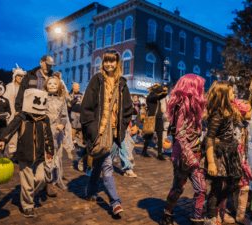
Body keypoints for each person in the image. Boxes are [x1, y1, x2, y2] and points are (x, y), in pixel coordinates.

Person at [80, 48, 132, 216]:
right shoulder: (97, 79)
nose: (109, 64)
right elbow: (87, 106)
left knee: (98, 164)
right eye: (106, 61)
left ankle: (90, 191)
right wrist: (92, 129)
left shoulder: (122, 83)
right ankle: (115, 202)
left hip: (115, 131)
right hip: (100, 130)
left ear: (117, 63)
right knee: (107, 166)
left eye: (112, 61)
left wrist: (123, 126)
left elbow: (128, 108)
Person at [0, 89, 54, 218]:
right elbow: (11, 128)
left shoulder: (45, 119)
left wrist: (50, 153)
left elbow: (48, 137)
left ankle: (27, 195)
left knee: (40, 179)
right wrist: (3, 140)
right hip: (24, 154)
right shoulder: (21, 117)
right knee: (27, 182)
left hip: (39, 155)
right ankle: (28, 205)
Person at [160, 74, 207, 225]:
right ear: (193, 87)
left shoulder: (196, 107)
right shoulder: (182, 106)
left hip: (195, 152)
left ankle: (197, 219)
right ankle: (167, 215)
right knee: (178, 187)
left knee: (201, 189)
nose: (202, 89)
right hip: (183, 154)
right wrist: (190, 157)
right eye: (200, 86)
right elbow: (180, 136)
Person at [199, 81, 243, 225]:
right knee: (216, 186)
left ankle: (213, 204)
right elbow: (210, 138)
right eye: (231, 93)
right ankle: (210, 217)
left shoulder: (229, 110)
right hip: (218, 155)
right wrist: (211, 162)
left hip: (230, 153)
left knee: (235, 181)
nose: (234, 95)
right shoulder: (217, 114)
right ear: (224, 95)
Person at [14, 55, 57, 197]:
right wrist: (18, 110)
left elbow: (59, 94)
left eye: (51, 65)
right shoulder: (30, 76)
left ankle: (48, 181)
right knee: (31, 146)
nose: (49, 67)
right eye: (47, 64)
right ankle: (30, 175)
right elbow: (21, 93)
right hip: (29, 116)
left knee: (48, 148)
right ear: (41, 62)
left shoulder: (54, 77)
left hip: (47, 115)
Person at [42, 76, 73, 189]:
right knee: (47, 155)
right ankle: (47, 179)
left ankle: (57, 178)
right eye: (50, 84)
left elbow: (64, 116)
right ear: (46, 85)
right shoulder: (42, 98)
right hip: (45, 131)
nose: (52, 86)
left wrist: (62, 124)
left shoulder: (61, 100)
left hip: (57, 131)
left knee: (57, 155)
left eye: (55, 84)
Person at [4, 64, 26, 158]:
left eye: (21, 76)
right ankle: (12, 152)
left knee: (22, 132)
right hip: (12, 112)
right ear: (15, 76)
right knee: (12, 132)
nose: (19, 78)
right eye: (18, 76)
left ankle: (20, 152)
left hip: (23, 112)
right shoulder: (10, 86)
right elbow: (6, 99)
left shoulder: (25, 88)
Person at [141, 84, 168, 160]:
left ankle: (159, 154)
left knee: (160, 137)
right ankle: (144, 151)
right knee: (149, 136)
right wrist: (157, 89)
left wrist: (164, 90)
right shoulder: (150, 97)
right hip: (152, 119)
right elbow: (155, 96)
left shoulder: (157, 98)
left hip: (159, 119)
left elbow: (164, 95)